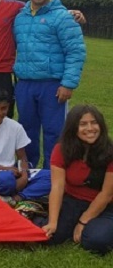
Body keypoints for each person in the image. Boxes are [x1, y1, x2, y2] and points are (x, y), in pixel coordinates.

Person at [13, 0, 86, 169]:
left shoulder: (63, 17)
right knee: (26, 130)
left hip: (52, 85)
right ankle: (28, 171)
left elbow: (76, 51)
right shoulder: (20, 17)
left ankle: (53, 174)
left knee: (54, 132)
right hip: (25, 84)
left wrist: (68, 84)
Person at [41, 105, 113, 255]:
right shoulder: (62, 149)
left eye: (94, 122)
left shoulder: (110, 152)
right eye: (83, 124)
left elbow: (107, 194)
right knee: (50, 236)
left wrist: (83, 221)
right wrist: (53, 222)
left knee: (96, 242)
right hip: (72, 201)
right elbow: (57, 187)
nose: (90, 128)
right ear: (73, 128)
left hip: (105, 205)